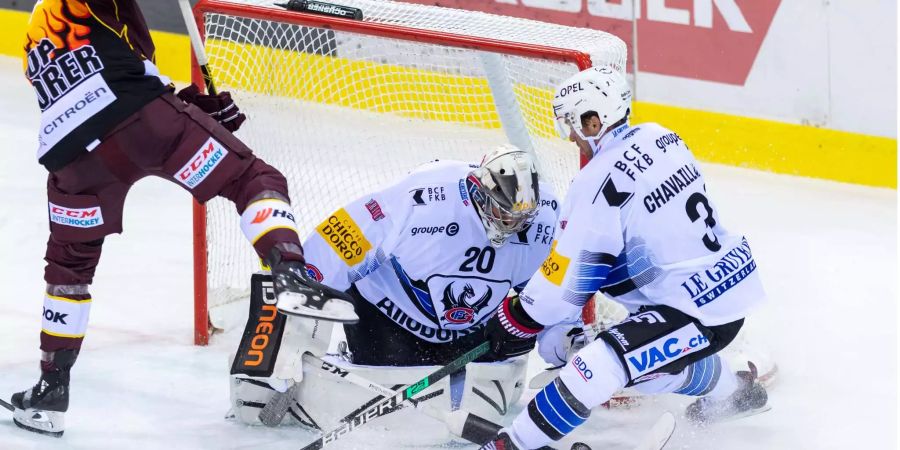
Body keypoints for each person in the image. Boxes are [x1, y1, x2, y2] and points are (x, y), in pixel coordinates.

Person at [13, 0, 353, 437]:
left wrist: (194, 108)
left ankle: (50, 389)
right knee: (251, 177)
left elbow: (111, 77)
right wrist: (189, 115)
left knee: (70, 270)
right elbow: (131, 98)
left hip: (71, 158)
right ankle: (288, 272)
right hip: (142, 122)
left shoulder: (37, 30)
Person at [480, 66, 769, 449]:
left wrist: (515, 318)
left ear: (593, 119)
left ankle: (512, 444)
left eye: (572, 123)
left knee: (595, 366)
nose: (570, 136)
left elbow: (565, 284)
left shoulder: (596, 181)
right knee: (638, 366)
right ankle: (734, 394)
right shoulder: (662, 137)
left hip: (694, 311)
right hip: (726, 284)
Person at [228, 146, 561, 428]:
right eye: (501, 213)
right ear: (477, 192)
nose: (510, 224)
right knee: (395, 406)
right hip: (390, 316)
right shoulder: (417, 201)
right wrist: (279, 344)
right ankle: (328, 360)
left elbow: (554, 287)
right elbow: (321, 259)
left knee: (493, 375)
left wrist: (562, 346)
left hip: (472, 328)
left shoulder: (545, 215)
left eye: (520, 219)